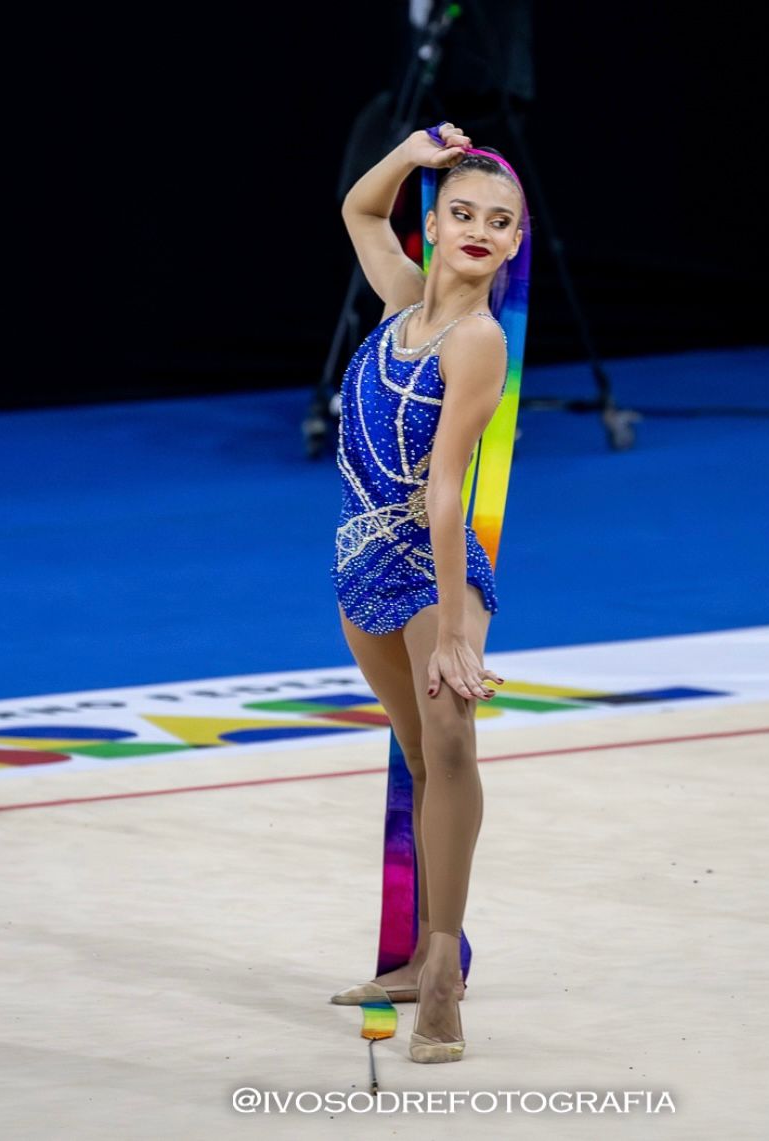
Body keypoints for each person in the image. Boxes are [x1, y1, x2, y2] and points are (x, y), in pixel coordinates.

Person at [328, 121, 526, 1063]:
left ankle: (443, 969)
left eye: (500, 221)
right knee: (414, 753)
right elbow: (359, 211)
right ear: (435, 226)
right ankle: (415, 955)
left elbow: (448, 490)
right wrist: (411, 154)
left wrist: (452, 630)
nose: (480, 230)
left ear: (516, 244)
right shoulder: (402, 303)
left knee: (448, 743)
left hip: (433, 568)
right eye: (464, 214)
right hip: (359, 563)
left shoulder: (478, 342)